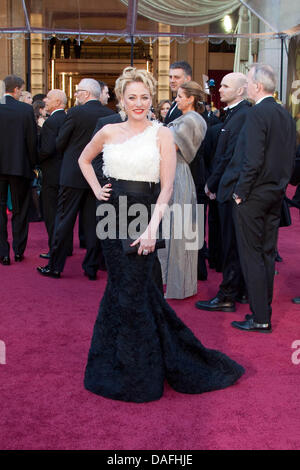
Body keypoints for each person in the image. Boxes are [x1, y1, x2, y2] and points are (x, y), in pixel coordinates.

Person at [78, 66, 244, 403]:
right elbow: (83, 159)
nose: (138, 103)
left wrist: (153, 228)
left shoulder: (162, 134)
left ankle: (140, 372)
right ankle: (115, 364)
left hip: (144, 214)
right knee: (119, 289)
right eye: (132, 97)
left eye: (144, 97)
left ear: (151, 99)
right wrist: (97, 190)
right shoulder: (108, 131)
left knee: (137, 291)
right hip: (112, 214)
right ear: (121, 100)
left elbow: (167, 187)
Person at [230, 64, 296, 333]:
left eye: (247, 82)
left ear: (257, 86)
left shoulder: (257, 113)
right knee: (267, 253)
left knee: (252, 255)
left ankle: (260, 317)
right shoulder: (285, 114)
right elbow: (291, 157)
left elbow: (253, 159)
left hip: (254, 194)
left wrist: (240, 192)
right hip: (276, 194)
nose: (246, 86)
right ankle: (262, 313)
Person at [37, 78, 115, 280]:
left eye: (78, 91)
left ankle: (55, 266)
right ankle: (91, 267)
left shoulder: (74, 113)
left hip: (72, 175)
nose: (76, 94)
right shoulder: (111, 115)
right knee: (93, 224)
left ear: (86, 93)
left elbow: (60, 143)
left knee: (63, 221)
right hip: (97, 177)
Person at [196, 72, 250, 313]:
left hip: (231, 189)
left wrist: (212, 183)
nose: (220, 89)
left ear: (240, 91)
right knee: (231, 244)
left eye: (226, 86)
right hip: (228, 187)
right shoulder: (235, 115)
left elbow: (229, 156)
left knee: (231, 244)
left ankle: (228, 294)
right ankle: (236, 290)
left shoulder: (242, 116)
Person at [158, 81, 207, 299]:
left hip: (177, 174)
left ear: (191, 99)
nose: (175, 99)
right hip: (171, 172)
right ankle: (166, 280)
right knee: (168, 230)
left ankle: (180, 287)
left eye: (179, 96)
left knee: (178, 232)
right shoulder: (185, 118)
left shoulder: (192, 120)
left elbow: (172, 146)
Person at [0, 75, 37, 265]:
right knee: (20, 210)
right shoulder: (25, 110)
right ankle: (19, 251)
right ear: (16, 90)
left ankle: (3, 253)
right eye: (21, 90)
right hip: (19, 166)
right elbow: (31, 141)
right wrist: (33, 164)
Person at [38, 89, 68, 259]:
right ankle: (66, 247)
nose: (45, 100)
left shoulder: (50, 123)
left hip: (51, 173)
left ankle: (54, 249)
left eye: (48, 98)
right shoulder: (67, 119)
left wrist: (37, 158)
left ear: (57, 102)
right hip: (65, 172)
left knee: (51, 213)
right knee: (64, 212)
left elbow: (47, 149)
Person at [164, 61, 192, 125]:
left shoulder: (192, 104)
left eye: (176, 77)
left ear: (187, 79)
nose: (172, 81)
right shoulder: (175, 102)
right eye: (170, 77)